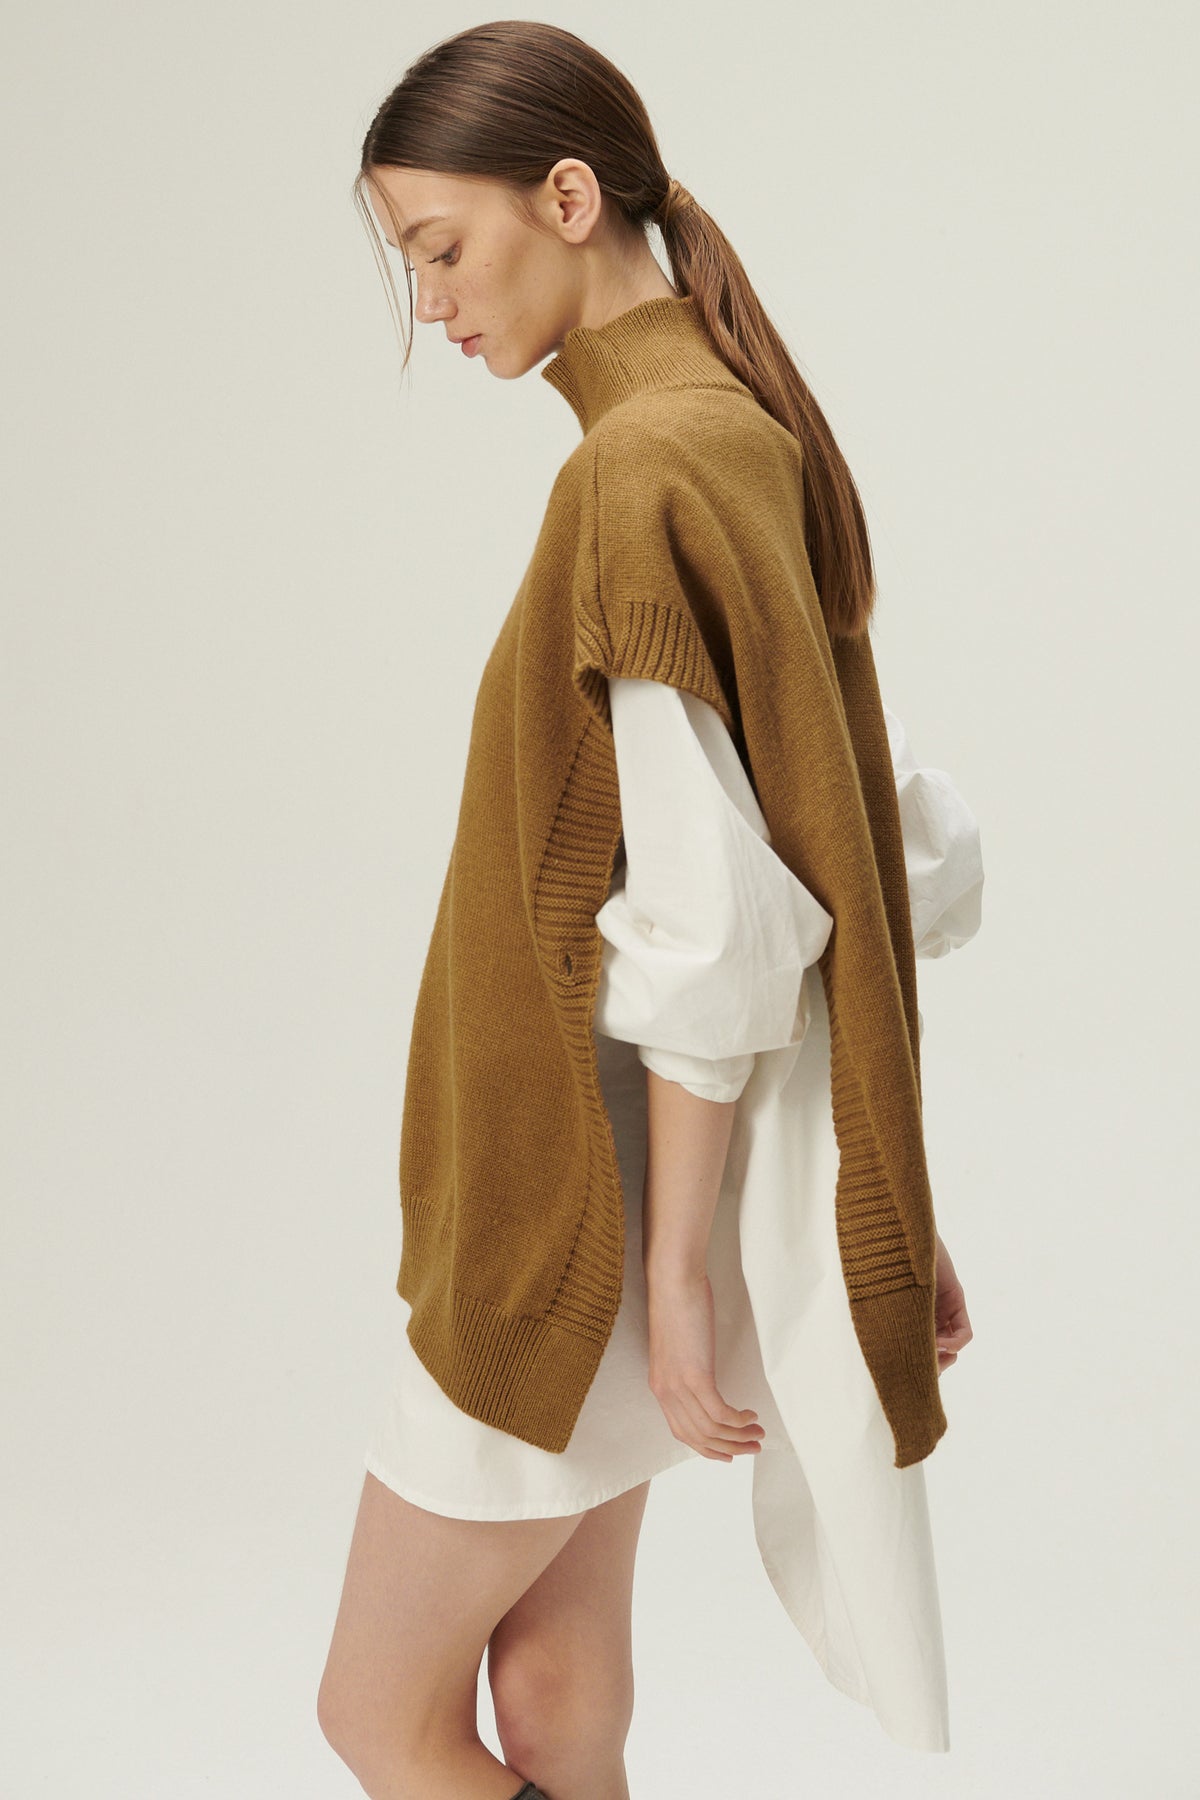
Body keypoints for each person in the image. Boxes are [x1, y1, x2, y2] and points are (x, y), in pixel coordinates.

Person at [317, 21, 980, 1800]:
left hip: (574, 1227)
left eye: (441, 249)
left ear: (566, 195)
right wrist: (865, 1186)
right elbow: (849, 858)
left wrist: (676, 1279)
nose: (434, 306)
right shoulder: (742, 430)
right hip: (636, 1208)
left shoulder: (638, 470)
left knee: (378, 1718)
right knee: (556, 1705)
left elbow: (717, 923)